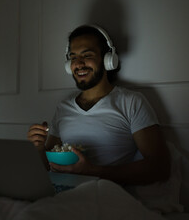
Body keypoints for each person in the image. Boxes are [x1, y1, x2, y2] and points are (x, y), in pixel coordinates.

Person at [27, 25, 170, 185]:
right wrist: (39, 148)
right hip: (65, 194)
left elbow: (160, 168)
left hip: (107, 196)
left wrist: (93, 171)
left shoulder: (131, 102)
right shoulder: (63, 107)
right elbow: (49, 166)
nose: (79, 64)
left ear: (108, 59)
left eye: (87, 55)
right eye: (73, 57)